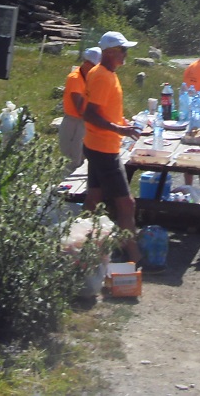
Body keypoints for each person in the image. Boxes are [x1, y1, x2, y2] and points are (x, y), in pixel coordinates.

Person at [81, 32, 144, 267]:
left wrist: (122, 123)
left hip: (98, 144)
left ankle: (82, 245)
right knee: (126, 203)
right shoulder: (102, 77)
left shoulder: (107, 74)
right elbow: (89, 113)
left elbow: (103, 110)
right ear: (109, 52)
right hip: (104, 148)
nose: (126, 54)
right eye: (122, 50)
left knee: (94, 197)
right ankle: (134, 255)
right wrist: (118, 129)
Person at [57, 47, 103, 171]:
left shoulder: (91, 77)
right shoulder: (75, 78)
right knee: (72, 159)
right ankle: (64, 188)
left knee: (82, 158)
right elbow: (80, 108)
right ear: (86, 63)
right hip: (74, 122)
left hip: (85, 122)